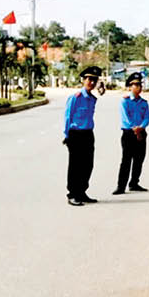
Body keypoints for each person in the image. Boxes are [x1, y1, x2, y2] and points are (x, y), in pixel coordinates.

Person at [64, 66, 101, 206]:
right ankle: (72, 194)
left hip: (88, 134)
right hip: (75, 134)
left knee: (88, 165)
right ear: (83, 80)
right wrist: (67, 135)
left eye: (94, 80)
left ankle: (82, 192)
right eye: (89, 79)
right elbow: (68, 117)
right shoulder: (75, 97)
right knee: (75, 166)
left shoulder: (92, 99)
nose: (91, 82)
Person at [114, 72, 149, 194]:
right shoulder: (125, 102)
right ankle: (121, 186)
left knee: (139, 159)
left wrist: (141, 127)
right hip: (129, 134)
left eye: (139, 85)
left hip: (141, 133)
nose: (138, 87)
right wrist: (135, 129)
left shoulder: (144, 103)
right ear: (130, 87)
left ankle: (134, 183)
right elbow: (126, 118)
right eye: (135, 85)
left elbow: (147, 117)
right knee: (126, 160)